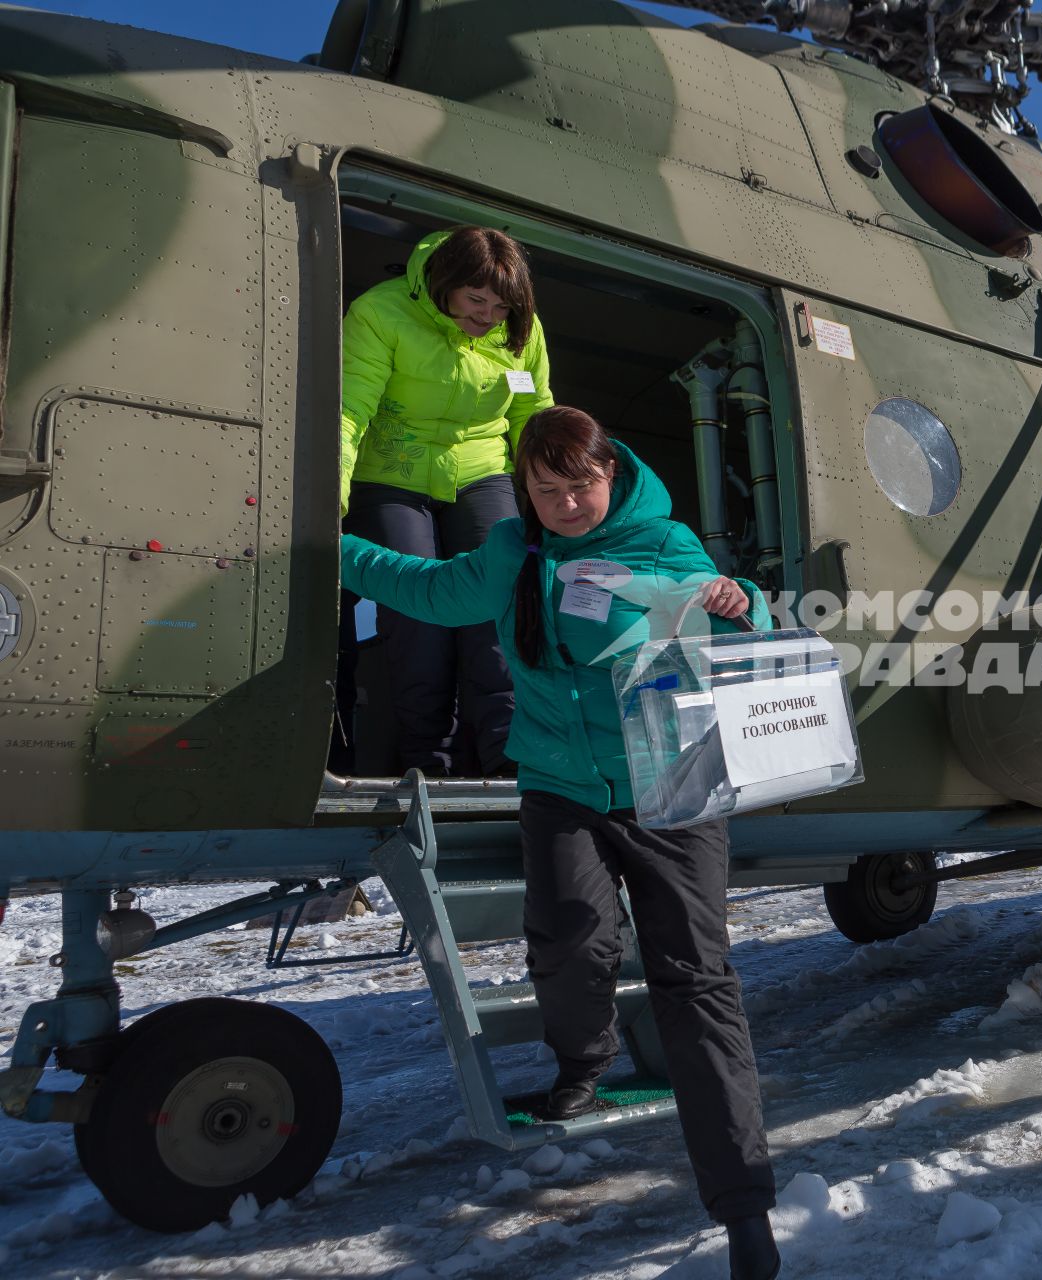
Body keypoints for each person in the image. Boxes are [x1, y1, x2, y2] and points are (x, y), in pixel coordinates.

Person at [341, 407, 780, 1280]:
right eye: (546, 490)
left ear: (609, 472)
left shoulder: (665, 542)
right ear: (525, 490)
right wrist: (330, 545)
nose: (568, 504)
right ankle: (585, 1058)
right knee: (571, 936)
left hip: (672, 790)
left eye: (581, 485)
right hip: (559, 787)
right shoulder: (511, 553)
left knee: (696, 983)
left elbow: (744, 634)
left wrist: (742, 605)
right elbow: (430, 590)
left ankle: (744, 1209)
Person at [339, 225, 554, 776]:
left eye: (501, 307)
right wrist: (332, 496)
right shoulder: (379, 314)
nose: (486, 317)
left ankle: (510, 763)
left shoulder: (521, 335)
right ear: (444, 282)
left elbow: (534, 416)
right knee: (418, 619)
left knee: (500, 608)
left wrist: (550, 499)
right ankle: (427, 765)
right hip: (393, 473)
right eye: (475, 300)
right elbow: (349, 411)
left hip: (482, 472)